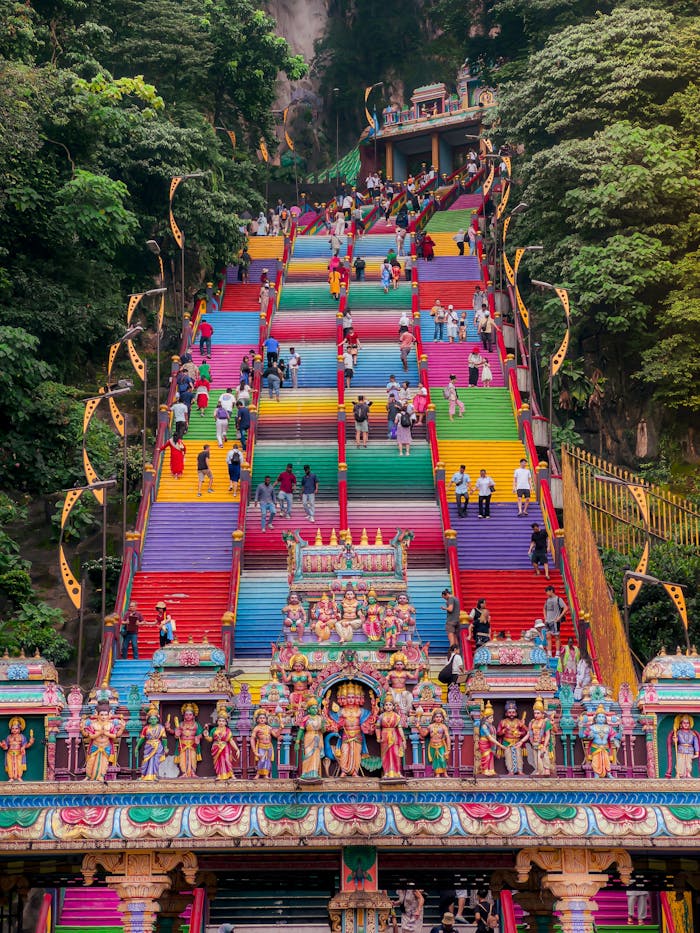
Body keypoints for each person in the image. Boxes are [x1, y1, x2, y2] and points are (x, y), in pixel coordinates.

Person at [543, 585, 567, 655]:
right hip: (548, 621)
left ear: (551, 591)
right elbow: (544, 608)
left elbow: (565, 608)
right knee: (548, 637)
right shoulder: (547, 600)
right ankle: (549, 653)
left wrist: (559, 617)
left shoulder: (558, 599)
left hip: (555, 621)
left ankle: (557, 653)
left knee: (557, 637)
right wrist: (545, 617)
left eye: (547, 592)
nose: (546, 593)